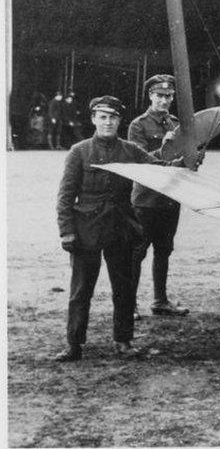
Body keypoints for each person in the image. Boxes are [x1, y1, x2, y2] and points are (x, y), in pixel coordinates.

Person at [53, 96, 176, 362]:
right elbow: (65, 197)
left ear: (120, 121)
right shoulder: (79, 151)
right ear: (94, 119)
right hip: (86, 233)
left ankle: (123, 340)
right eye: (103, 117)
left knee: (124, 288)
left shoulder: (129, 150)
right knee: (80, 291)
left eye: (113, 117)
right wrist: (67, 232)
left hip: (121, 229)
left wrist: (186, 163)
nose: (108, 122)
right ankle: (74, 345)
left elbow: (159, 169)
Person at [128, 74, 190, 317]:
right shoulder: (139, 125)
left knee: (164, 250)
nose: (164, 101)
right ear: (151, 96)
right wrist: (164, 147)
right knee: (138, 252)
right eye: (160, 96)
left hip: (170, 197)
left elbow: (183, 158)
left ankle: (160, 301)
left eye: (169, 96)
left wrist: (190, 159)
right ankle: (129, 304)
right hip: (146, 199)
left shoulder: (176, 123)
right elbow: (139, 159)